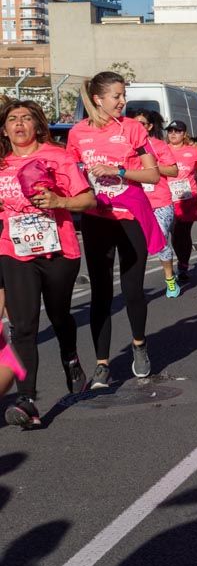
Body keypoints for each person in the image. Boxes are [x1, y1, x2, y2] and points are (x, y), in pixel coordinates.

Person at [0, 101, 96, 428]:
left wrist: (59, 201)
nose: (19, 124)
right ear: (4, 129)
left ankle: (70, 355)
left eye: (26, 118)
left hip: (59, 251)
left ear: (37, 125)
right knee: (23, 326)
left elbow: (88, 200)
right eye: (13, 119)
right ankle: (27, 401)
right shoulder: (2, 164)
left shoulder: (58, 157)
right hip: (15, 252)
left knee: (58, 315)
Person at [67, 72, 162, 386]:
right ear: (98, 99)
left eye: (123, 95)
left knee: (133, 290)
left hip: (131, 216)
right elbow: (69, 174)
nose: (123, 101)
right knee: (101, 293)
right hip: (97, 219)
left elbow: (153, 175)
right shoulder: (78, 133)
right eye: (116, 96)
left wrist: (118, 170)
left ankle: (139, 344)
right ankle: (102, 363)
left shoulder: (132, 128)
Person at [128, 110, 182, 298]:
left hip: (160, 202)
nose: (137, 127)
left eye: (142, 124)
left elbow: (174, 171)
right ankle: (135, 286)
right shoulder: (126, 146)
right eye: (134, 124)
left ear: (149, 126)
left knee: (160, 240)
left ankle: (169, 278)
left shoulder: (158, 145)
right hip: (135, 202)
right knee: (137, 244)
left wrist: (150, 167)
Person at [165, 121, 197, 284]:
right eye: (170, 131)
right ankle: (174, 265)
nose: (173, 134)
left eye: (177, 131)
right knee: (173, 233)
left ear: (184, 134)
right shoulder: (162, 150)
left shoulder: (193, 152)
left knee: (183, 233)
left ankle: (183, 265)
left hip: (187, 198)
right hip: (167, 197)